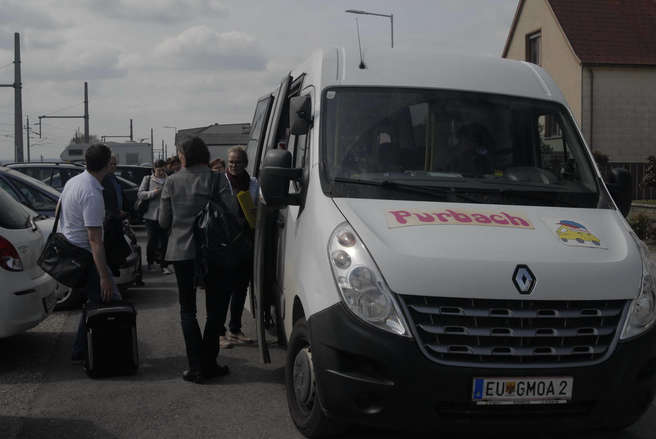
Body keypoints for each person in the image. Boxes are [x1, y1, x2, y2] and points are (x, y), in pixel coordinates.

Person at [159, 137, 230, 383]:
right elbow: (230, 212)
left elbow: (163, 221)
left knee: (187, 309)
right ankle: (210, 363)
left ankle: (195, 366)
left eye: (179, 153)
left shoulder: (171, 181)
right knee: (215, 309)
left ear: (185, 155)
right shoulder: (217, 178)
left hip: (181, 251)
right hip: (213, 251)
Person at [60, 144, 122, 364]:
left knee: (95, 302)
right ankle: (106, 352)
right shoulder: (92, 192)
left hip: (73, 249)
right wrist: (104, 275)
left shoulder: (73, 182)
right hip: (86, 255)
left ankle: (82, 349)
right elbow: (95, 240)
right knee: (110, 299)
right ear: (106, 164)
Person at [219, 146, 258, 348]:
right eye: (231, 162)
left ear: (245, 164)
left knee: (240, 289)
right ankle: (219, 332)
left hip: (245, 242)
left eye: (238, 162)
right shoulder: (219, 182)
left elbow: (258, 209)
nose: (234, 165)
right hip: (223, 244)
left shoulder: (253, 184)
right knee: (222, 290)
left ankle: (235, 329)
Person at [138, 160, 171, 274]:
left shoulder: (169, 179)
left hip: (165, 215)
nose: (161, 172)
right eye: (158, 170)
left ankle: (164, 265)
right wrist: (153, 192)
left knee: (164, 241)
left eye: (163, 169)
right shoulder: (147, 179)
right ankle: (150, 262)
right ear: (154, 169)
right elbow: (140, 194)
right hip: (150, 216)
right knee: (152, 240)